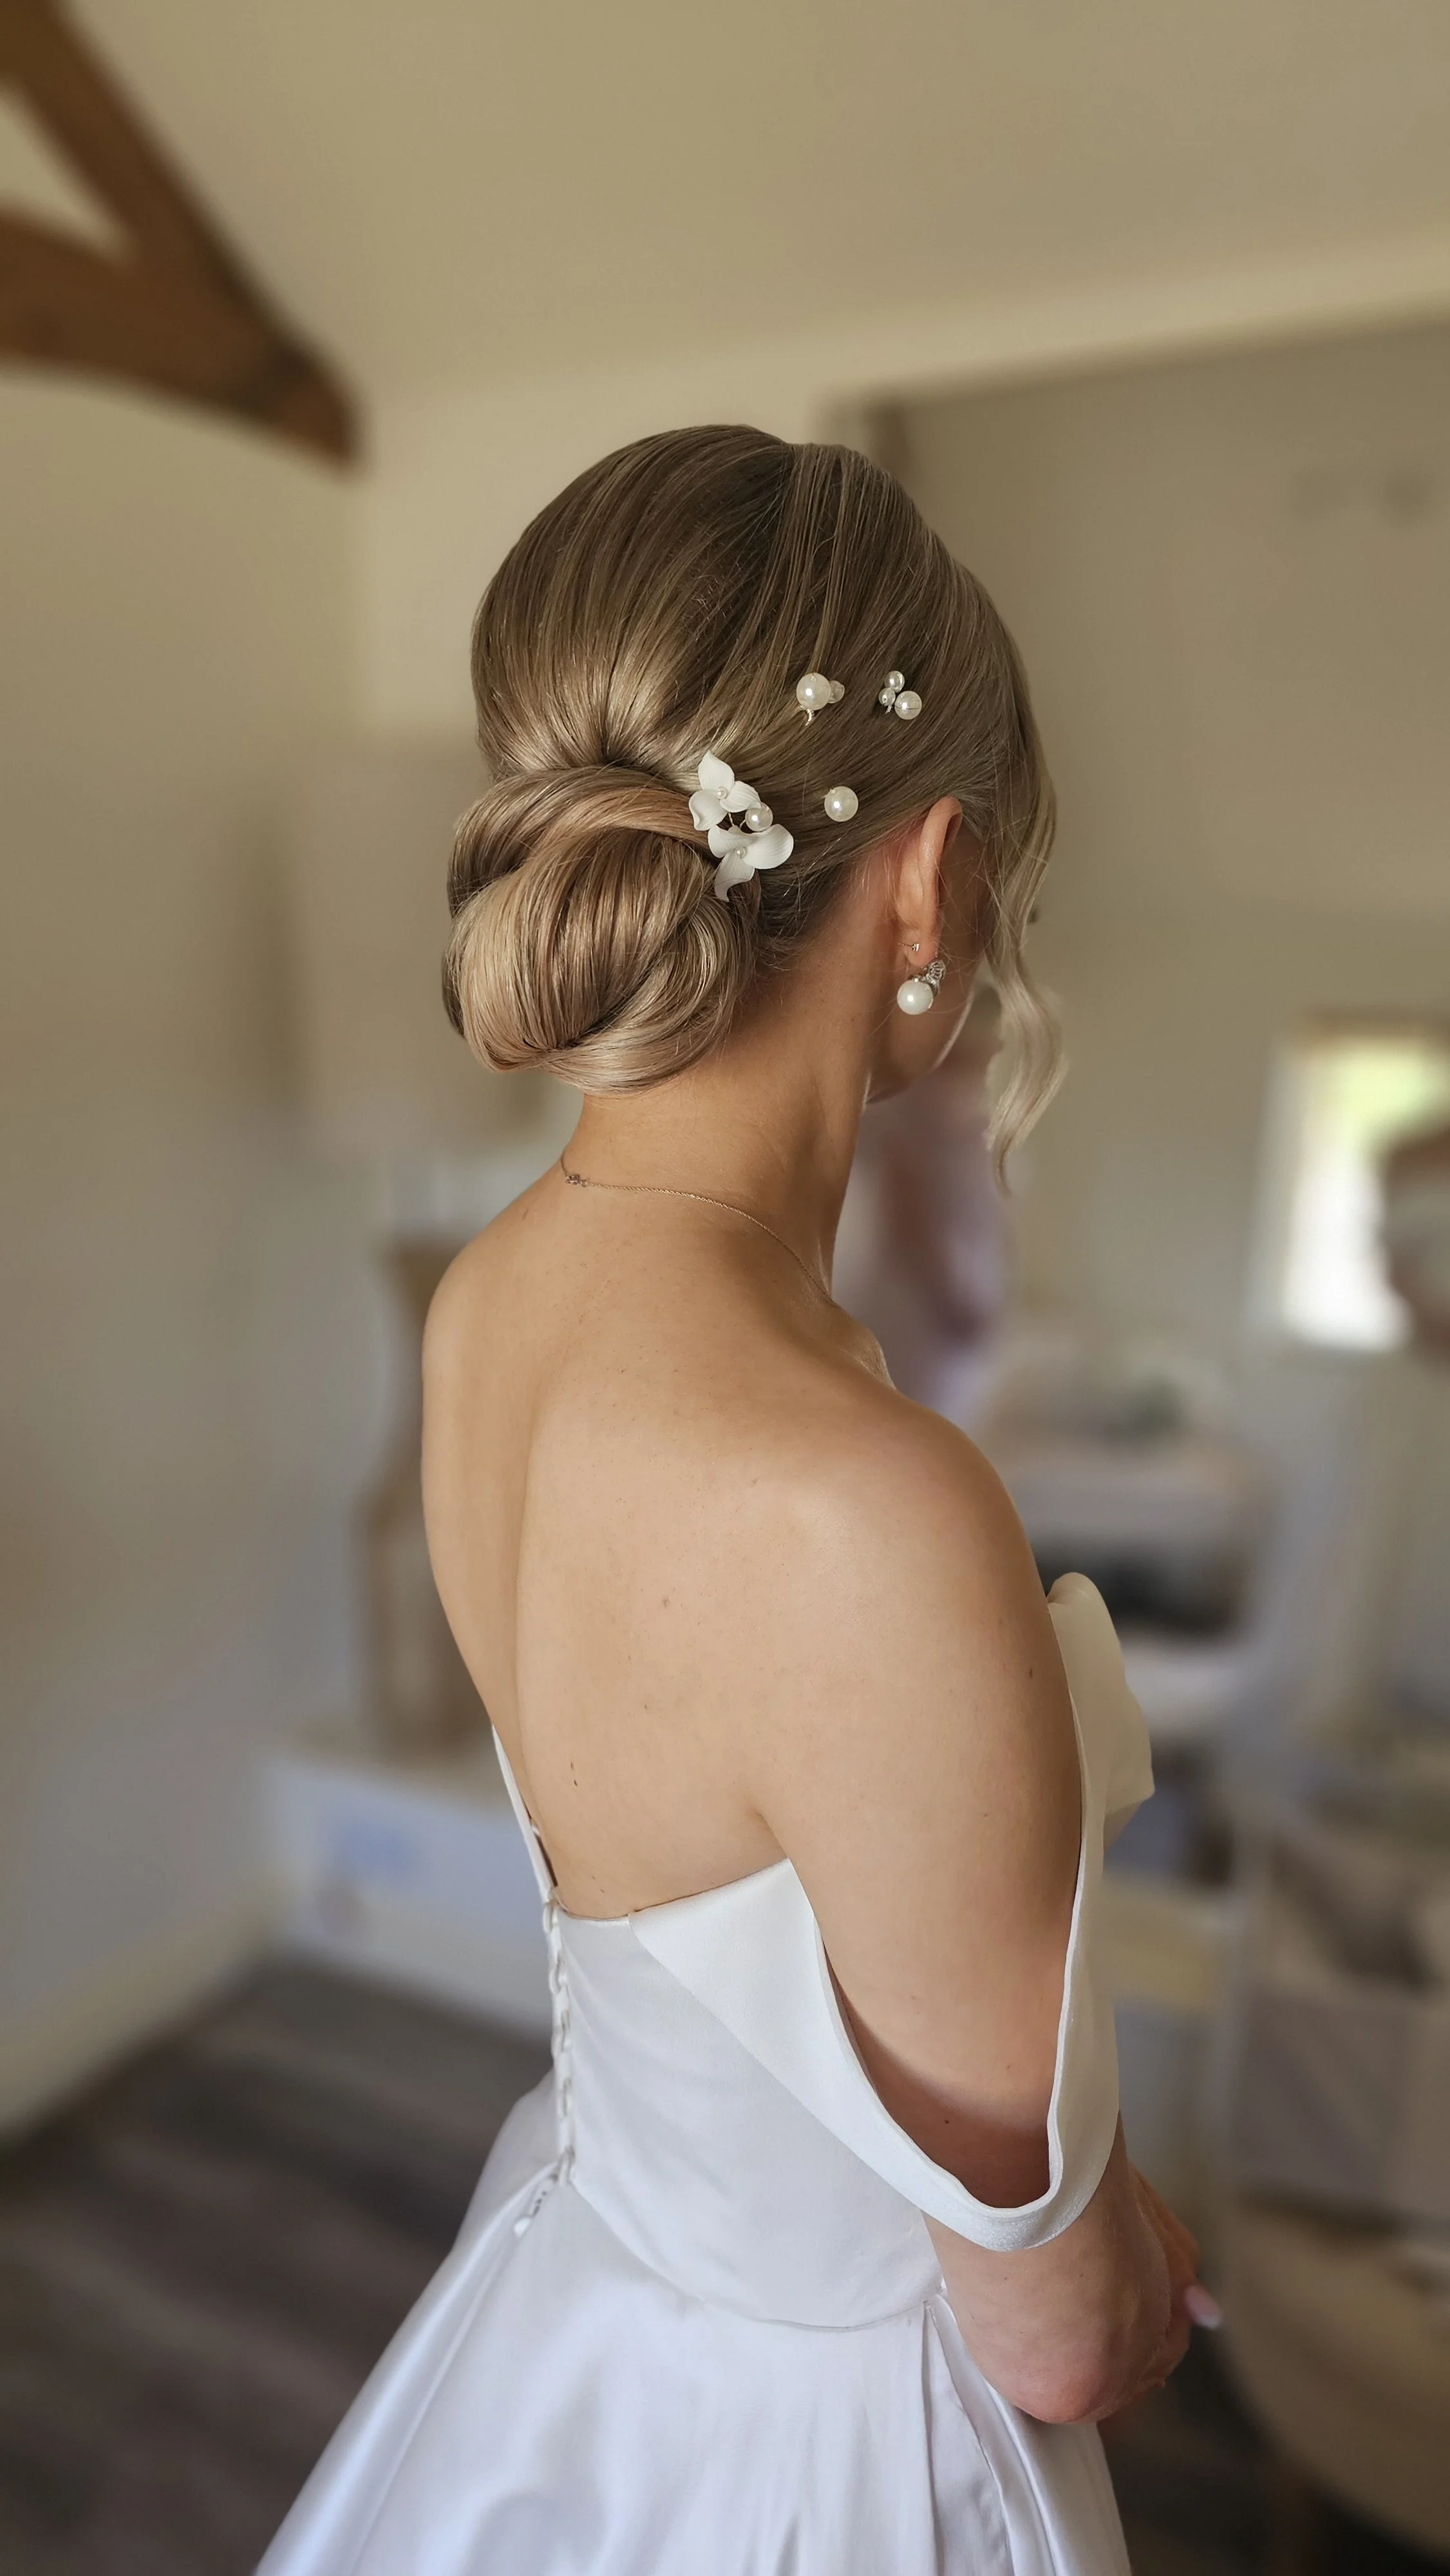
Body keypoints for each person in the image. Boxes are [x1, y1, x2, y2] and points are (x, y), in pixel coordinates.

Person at [259, 427, 1213, 2576]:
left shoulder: (488, 1305)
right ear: (934, 878)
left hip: (593, 2317)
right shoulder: (855, 1503)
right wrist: (1134, 2253)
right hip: (825, 2458)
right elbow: (1054, 2345)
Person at [841, 986, 1012, 1430]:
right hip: (924, 1289)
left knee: (952, 1405)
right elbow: (908, 1215)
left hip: (963, 1283)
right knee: (913, 1409)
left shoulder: (972, 1106)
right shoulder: (909, 1105)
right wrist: (950, 1295)